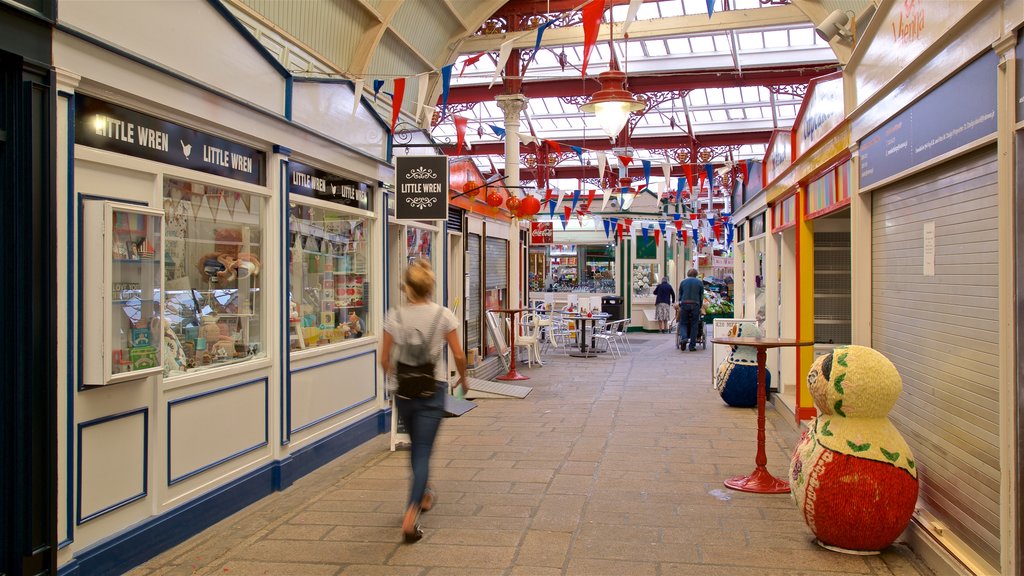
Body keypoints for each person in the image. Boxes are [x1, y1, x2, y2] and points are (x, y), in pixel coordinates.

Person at [379, 259, 468, 543]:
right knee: (422, 451)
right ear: (430, 287)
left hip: (404, 392)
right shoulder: (443, 315)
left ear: (407, 288)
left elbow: (384, 358)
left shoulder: (395, 315)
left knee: (415, 448)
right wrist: (463, 379)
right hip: (433, 390)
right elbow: (459, 354)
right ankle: (410, 514)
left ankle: (425, 492)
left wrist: (396, 378)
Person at [677, 268, 705, 351]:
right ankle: (692, 346)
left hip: (684, 304)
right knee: (694, 324)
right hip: (695, 304)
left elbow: (680, 294)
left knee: (683, 322)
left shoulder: (683, 282)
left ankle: (684, 338)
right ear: (696, 274)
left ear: (687, 274)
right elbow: (701, 296)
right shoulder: (699, 282)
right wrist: (700, 306)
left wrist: (680, 303)